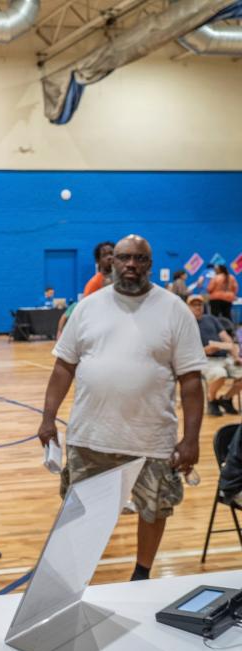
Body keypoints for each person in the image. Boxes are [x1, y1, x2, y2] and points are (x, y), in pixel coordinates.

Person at [39, 235, 205, 582]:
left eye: (140, 259)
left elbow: (191, 381)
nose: (131, 264)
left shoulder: (175, 310)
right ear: (111, 261)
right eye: (124, 257)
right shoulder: (87, 307)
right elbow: (63, 368)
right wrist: (48, 418)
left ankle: (141, 574)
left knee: (154, 508)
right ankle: (75, 577)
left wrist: (191, 439)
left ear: (149, 264)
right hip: (91, 436)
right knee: (80, 510)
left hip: (152, 438)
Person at [188, 294, 242, 416]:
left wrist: (236, 356)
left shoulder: (211, 319)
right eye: (194, 305)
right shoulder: (186, 324)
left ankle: (226, 399)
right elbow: (186, 352)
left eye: (200, 304)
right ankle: (212, 400)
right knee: (219, 373)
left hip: (224, 357)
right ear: (188, 307)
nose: (198, 307)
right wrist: (205, 350)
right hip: (204, 360)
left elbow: (227, 338)